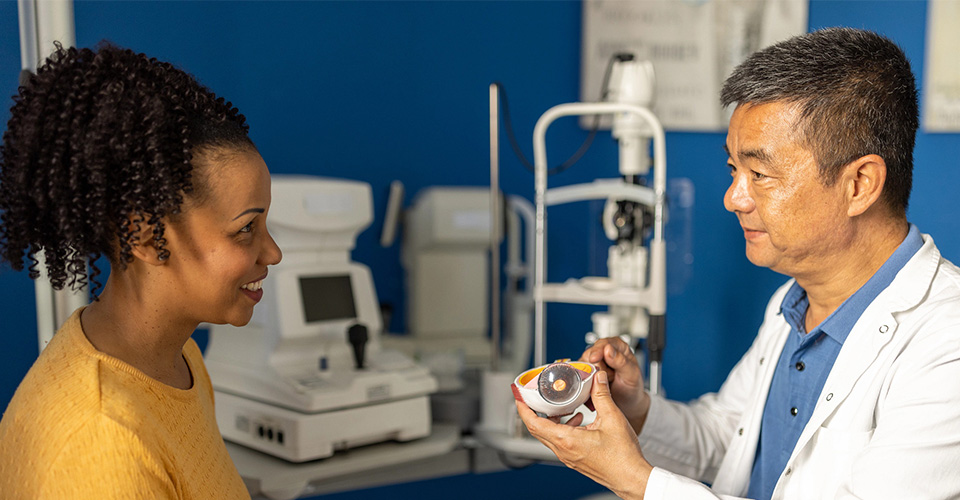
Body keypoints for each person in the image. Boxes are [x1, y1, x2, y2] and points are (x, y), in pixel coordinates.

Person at [516, 27, 960, 499]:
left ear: (859, 185)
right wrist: (637, 408)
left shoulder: (945, 342)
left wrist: (634, 482)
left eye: (760, 174)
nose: (733, 198)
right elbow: (730, 438)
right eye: (734, 170)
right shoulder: (792, 304)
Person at [0, 42, 282, 499]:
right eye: (246, 229)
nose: (272, 252)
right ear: (147, 239)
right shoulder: (104, 442)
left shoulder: (179, 360)